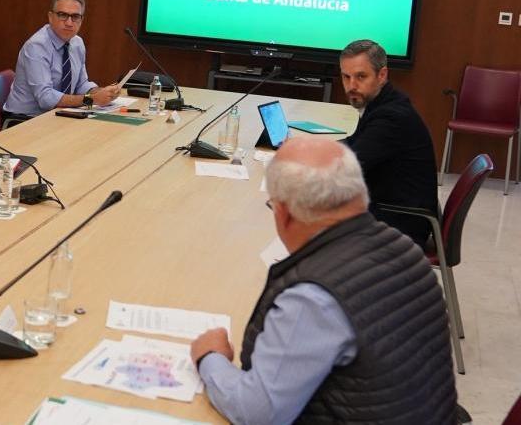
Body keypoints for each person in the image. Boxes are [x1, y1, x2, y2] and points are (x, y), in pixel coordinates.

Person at [190, 137, 456, 424]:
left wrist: (210, 357)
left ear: (284, 214)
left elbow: (258, 413)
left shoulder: (313, 297)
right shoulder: (404, 248)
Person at [338, 38, 439, 246]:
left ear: (382, 75)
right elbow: (355, 143)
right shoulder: (382, 102)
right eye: (346, 77)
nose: (351, 86)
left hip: (400, 224)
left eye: (360, 77)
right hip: (389, 207)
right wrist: (308, 148)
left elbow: (349, 168)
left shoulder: (391, 117)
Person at [2, 0, 122, 121]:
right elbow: (46, 98)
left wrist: (101, 92)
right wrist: (91, 99)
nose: (69, 23)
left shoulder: (77, 43)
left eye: (75, 16)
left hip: (57, 115)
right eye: (63, 15)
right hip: (24, 120)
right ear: (50, 17)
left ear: (81, 20)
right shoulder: (36, 46)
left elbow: (81, 84)